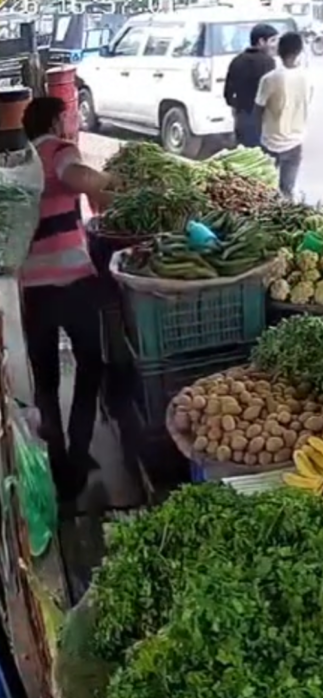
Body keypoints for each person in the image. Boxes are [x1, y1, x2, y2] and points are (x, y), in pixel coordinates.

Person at [20, 96, 115, 507]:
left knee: (45, 379)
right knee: (91, 366)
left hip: (33, 286)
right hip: (72, 281)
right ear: (58, 119)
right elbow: (75, 175)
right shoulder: (59, 150)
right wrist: (111, 184)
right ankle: (78, 454)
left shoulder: (18, 158)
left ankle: (56, 458)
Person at [255, 31, 312, 200]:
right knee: (287, 190)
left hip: (270, 142)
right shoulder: (307, 77)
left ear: (279, 51)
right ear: (299, 52)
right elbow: (307, 102)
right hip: (295, 141)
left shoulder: (269, 79)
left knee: (265, 190)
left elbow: (258, 108)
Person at [224, 23, 278, 148]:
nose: (276, 45)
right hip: (263, 121)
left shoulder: (237, 60)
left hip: (242, 119)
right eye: (273, 40)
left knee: (246, 159)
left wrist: (237, 107)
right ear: (261, 42)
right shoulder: (268, 63)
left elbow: (227, 94)